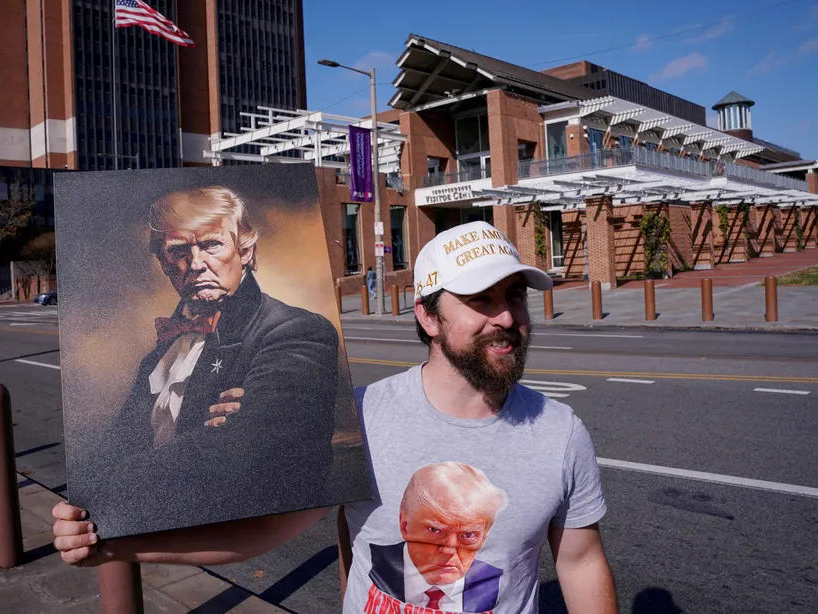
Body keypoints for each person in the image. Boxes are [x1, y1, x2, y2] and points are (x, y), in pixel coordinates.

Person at [53, 220, 616, 613]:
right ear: (428, 316)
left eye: (514, 297)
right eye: (480, 301)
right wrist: (113, 542)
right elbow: (263, 526)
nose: (506, 318)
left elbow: (581, 561)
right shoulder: (365, 416)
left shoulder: (561, 433)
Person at [74, 186, 341, 539]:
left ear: (245, 250)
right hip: (155, 527)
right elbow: (120, 442)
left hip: (241, 534)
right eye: (179, 250)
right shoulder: (157, 357)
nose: (196, 263)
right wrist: (82, 509)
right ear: (162, 262)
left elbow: (247, 453)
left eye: (212, 244)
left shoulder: (297, 330)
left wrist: (112, 491)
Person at [368, 462, 506, 612]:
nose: (449, 550)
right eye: (435, 530)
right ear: (404, 525)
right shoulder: (373, 561)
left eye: (468, 535)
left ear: (483, 538)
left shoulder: (496, 580)